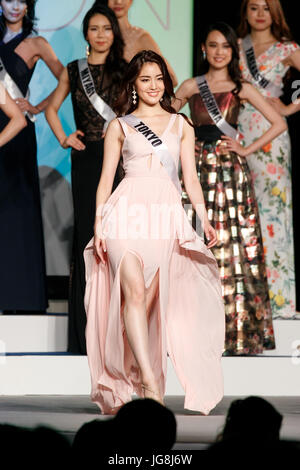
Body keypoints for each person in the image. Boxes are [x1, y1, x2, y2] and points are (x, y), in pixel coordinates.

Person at [84, 50, 225, 415]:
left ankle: (131, 372)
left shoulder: (182, 125)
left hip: (164, 216)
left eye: (158, 79)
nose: (153, 86)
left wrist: (204, 219)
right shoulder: (120, 126)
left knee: (145, 303)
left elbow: (191, 180)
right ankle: (149, 381)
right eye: (145, 79)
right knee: (132, 291)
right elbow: (104, 182)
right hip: (125, 213)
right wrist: (99, 223)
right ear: (133, 83)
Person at [174, 22, 287, 355]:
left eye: (225, 46)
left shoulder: (242, 88)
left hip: (229, 173)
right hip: (195, 171)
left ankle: (233, 332)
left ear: (232, 51)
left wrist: (246, 149)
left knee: (233, 246)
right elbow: (165, 118)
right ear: (203, 50)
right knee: (194, 245)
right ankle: (190, 331)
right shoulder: (190, 86)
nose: (219, 51)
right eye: (213, 45)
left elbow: (278, 123)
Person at [45, 4, 127, 354]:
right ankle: (83, 335)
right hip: (87, 160)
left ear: (114, 32)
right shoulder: (74, 70)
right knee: (87, 239)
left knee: (120, 241)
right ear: (86, 34)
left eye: (106, 28)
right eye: (94, 29)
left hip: (120, 162)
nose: (101, 35)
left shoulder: (125, 70)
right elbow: (51, 107)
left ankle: (120, 331)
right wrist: (65, 136)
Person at [237, 0, 300, 318]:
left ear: (275, 13)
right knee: (244, 211)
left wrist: (289, 106)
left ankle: (279, 301)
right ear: (245, 12)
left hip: (272, 137)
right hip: (239, 132)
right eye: (253, 7)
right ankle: (246, 297)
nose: (259, 14)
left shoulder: (286, 48)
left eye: (265, 7)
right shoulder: (234, 47)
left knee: (273, 213)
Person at [0, 0, 63, 313]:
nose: (14, 6)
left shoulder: (37, 43)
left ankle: (21, 295)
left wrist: (39, 107)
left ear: (29, 6)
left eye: (21, 0)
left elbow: (67, 79)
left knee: (17, 208)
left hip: (17, 130)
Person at [94, 0, 177, 85]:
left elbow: (171, 79)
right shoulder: (99, 37)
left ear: (131, 1)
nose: (118, 1)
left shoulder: (139, 37)